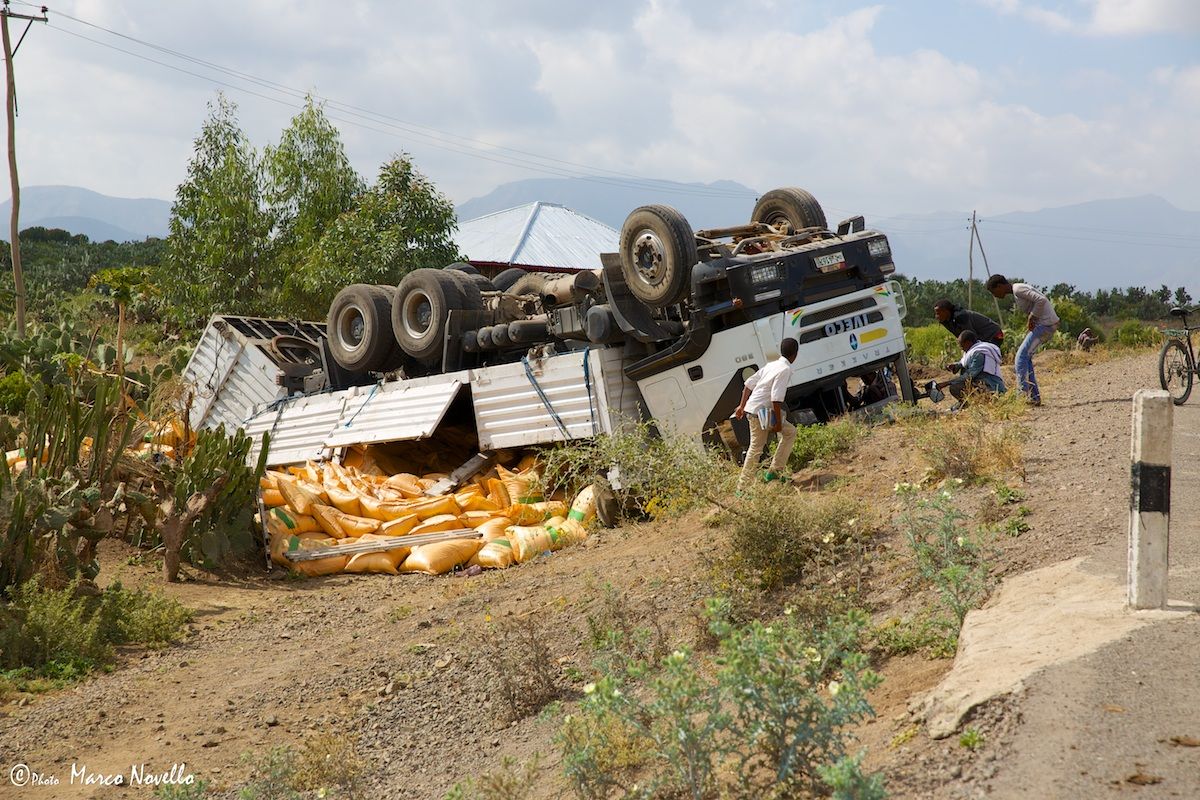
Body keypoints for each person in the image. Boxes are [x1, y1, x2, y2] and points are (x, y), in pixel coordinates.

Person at [734, 337, 799, 490]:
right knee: (756, 448)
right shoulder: (784, 369)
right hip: (761, 412)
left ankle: (775, 470)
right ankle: (742, 487)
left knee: (789, 432)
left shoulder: (772, 365)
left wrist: (741, 406)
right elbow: (776, 399)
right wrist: (776, 421)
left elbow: (748, 384)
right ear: (795, 354)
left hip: (756, 410)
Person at [986, 274, 1059, 406]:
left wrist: (1032, 317)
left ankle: (1024, 397)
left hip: (1046, 325)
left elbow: (1041, 300)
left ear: (999, 286)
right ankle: (1033, 397)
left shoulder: (1018, 289)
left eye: (994, 292)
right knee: (1026, 358)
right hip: (1045, 324)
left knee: (1020, 358)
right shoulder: (1017, 291)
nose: (995, 296)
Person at [936, 330, 1006, 409]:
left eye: (961, 345)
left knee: (955, 387)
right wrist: (956, 366)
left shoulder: (979, 353)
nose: (960, 347)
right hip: (982, 384)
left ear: (968, 342)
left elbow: (969, 375)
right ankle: (964, 404)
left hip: (990, 387)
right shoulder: (973, 350)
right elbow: (965, 362)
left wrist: (947, 383)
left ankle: (973, 404)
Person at [933, 299, 1004, 347]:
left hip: (994, 334)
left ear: (946, 311)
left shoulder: (960, 317)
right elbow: (960, 337)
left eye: (938, 313)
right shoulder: (946, 321)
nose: (936, 316)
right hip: (982, 338)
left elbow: (971, 338)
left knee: (982, 355)